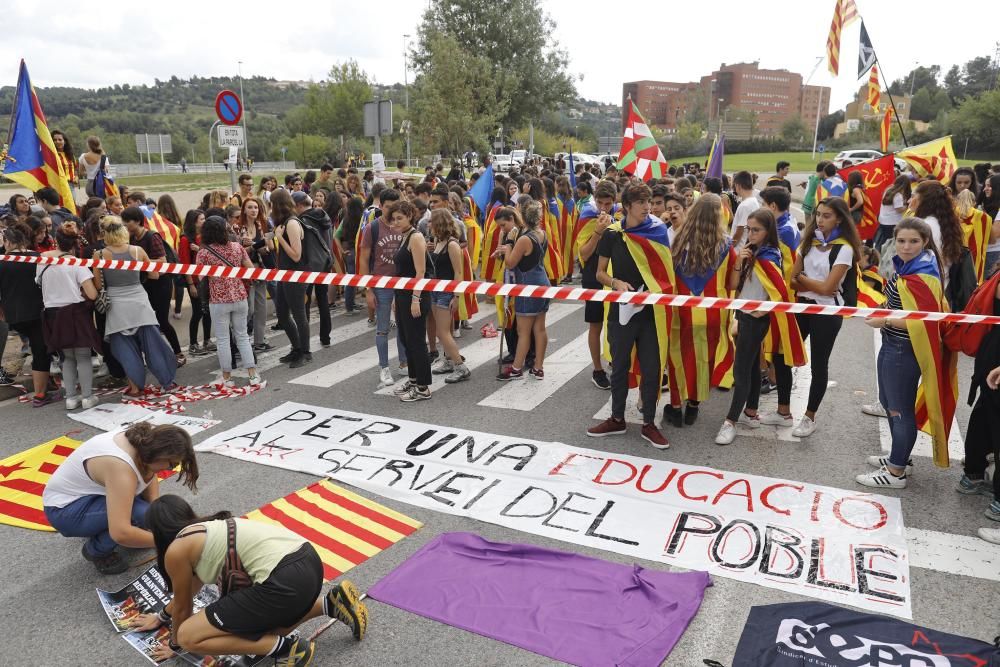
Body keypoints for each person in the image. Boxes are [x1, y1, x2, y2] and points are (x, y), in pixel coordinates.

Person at [132, 495, 367, 665]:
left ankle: (287, 650)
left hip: (283, 581)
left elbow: (184, 607)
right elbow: (187, 594)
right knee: (256, 633)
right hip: (309, 564)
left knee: (189, 636)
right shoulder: (205, 530)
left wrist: (175, 644)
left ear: (157, 532)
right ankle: (331, 603)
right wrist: (161, 616)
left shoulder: (177, 550)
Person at [857, 218, 954, 489]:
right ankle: (898, 458)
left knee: (899, 410)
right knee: (891, 404)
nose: (906, 246)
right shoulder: (912, 266)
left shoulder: (922, 274)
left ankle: (896, 472)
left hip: (902, 349)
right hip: (894, 345)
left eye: (913, 241)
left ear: (924, 242)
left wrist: (884, 320)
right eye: (901, 241)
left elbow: (924, 321)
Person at [42, 423, 198, 574]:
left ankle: (106, 525)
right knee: (138, 515)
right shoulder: (122, 470)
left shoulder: (147, 440)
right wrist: (168, 541)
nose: (169, 469)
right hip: (63, 511)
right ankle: (96, 550)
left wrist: (155, 515)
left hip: (88, 496)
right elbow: (121, 532)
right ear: (159, 455)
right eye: (171, 465)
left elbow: (149, 476)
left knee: (149, 515)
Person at [587, 183, 671, 449]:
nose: (648, 207)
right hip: (620, 311)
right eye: (642, 203)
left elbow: (665, 273)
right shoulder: (612, 234)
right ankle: (617, 418)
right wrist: (615, 283)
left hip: (650, 313)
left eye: (649, 202)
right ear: (627, 207)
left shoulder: (658, 231)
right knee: (620, 366)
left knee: (651, 367)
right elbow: (599, 273)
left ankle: (649, 423)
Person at [774, 197, 863, 437]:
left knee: (819, 364)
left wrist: (805, 280)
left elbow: (827, 290)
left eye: (826, 216)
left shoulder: (844, 248)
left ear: (839, 219)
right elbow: (792, 282)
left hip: (828, 312)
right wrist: (809, 283)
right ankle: (783, 411)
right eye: (818, 214)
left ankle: (810, 416)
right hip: (802, 306)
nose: (820, 220)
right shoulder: (808, 242)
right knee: (782, 353)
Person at [715, 209, 805, 445]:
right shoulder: (750, 253)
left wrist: (762, 310)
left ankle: (730, 422)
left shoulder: (770, 256)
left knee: (741, 370)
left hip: (754, 320)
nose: (751, 234)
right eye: (749, 229)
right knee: (753, 366)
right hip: (743, 315)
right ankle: (750, 412)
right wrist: (739, 261)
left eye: (757, 230)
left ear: (768, 232)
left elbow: (779, 293)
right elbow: (733, 285)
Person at [664, 194, 736, 428]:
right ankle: (693, 405)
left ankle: (675, 407)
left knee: (677, 358)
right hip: (713, 312)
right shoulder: (726, 245)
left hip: (681, 312)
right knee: (703, 359)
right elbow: (732, 284)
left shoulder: (676, 241)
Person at [92, 220, 178, 399]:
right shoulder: (138, 251)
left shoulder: (99, 255)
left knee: (125, 348)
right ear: (123, 232)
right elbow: (154, 275)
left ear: (105, 234)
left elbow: (98, 285)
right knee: (154, 344)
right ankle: (167, 382)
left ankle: (135, 389)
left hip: (116, 305)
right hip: (139, 300)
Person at [38, 225, 102, 410]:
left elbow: (39, 284)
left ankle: (71, 398)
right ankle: (87, 397)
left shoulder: (43, 261)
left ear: (56, 240)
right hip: (75, 312)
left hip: (52, 314)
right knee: (82, 356)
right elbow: (92, 295)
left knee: (66, 358)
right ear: (75, 243)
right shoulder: (76, 263)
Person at [196, 216, 261, 387]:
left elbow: (201, 278)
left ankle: (227, 378)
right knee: (242, 336)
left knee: (223, 339)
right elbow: (251, 270)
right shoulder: (237, 247)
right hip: (240, 296)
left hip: (218, 299)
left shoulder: (203, 253)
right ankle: (253, 375)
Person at [0, 221, 56, 406]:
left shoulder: (3, 262)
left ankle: (46, 381)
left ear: (8, 243)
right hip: (37, 311)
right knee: (41, 351)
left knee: (34, 347)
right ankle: (40, 393)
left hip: (13, 315)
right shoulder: (38, 258)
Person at [121, 207, 185, 367]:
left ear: (137, 221)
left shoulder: (151, 236)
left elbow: (162, 261)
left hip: (161, 284)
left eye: (127, 221)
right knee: (149, 322)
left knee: (163, 321)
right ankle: (156, 355)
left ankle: (178, 353)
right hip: (145, 283)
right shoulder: (132, 238)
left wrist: (140, 261)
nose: (125, 225)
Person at [495, 202, 551, 381]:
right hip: (542, 282)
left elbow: (510, 262)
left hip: (528, 285)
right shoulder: (542, 233)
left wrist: (509, 242)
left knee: (523, 331)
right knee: (539, 329)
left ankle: (517, 368)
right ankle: (538, 367)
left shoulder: (524, 238)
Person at [359, 189, 407, 387]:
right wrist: (368, 289)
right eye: (388, 207)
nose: (391, 211)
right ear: (380, 206)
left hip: (403, 283)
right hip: (381, 284)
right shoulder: (372, 228)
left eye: (395, 207)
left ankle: (404, 363)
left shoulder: (403, 226)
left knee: (404, 327)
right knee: (383, 329)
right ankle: (384, 368)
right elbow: (363, 258)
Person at [386, 200, 433, 401]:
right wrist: (398, 298)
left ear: (410, 217)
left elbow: (420, 271)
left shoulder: (415, 237)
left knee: (416, 341)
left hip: (416, 295)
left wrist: (415, 299)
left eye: (400, 218)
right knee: (406, 339)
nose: (396, 221)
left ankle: (423, 387)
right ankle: (413, 380)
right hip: (403, 294)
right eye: (394, 218)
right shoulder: (404, 236)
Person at [576, 181, 619, 389]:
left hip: (616, 277)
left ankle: (615, 362)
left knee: (617, 324)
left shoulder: (621, 218)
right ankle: (597, 369)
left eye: (608, 203)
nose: (603, 208)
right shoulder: (587, 219)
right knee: (596, 324)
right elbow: (583, 254)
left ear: (615, 201)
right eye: (600, 203)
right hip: (593, 277)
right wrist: (598, 232)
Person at [427, 209, 472, 384]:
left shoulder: (452, 244)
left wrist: (457, 296)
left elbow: (459, 272)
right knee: (444, 330)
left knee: (442, 332)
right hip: (435, 290)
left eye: (432, 221)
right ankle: (448, 360)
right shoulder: (437, 241)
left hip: (446, 291)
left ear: (439, 223)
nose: (428, 224)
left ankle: (461, 366)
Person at [271, 189, 312, 369]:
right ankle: (296, 347)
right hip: (284, 275)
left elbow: (296, 255)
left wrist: (279, 237)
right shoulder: (284, 223)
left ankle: (305, 352)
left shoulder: (292, 223)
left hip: (296, 275)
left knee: (299, 314)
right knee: (282, 314)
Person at [292, 191, 333, 346]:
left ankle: (304, 339)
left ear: (299, 205)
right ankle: (325, 337)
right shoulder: (325, 216)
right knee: (323, 301)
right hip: (325, 264)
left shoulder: (302, 221)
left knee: (305, 303)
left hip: (308, 266)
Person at [241, 196, 274, 350]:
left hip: (261, 268)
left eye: (256, 207)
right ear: (244, 210)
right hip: (246, 271)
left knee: (261, 307)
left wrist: (258, 246)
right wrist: (253, 246)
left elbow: (270, 247)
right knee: (249, 309)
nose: (254, 210)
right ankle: (241, 341)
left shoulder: (263, 225)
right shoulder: (238, 228)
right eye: (250, 207)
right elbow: (239, 253)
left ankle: (259, 341)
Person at [874, 175, 911, 252]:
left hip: (883, 220)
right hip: (892, 222)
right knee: (890, 243)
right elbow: (899, 209)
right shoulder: (898, 195)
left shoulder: (888, 190)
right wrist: (907, 206)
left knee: (883, 241)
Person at [730, 171, 759, 247]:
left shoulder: (745, 206)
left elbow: (740, 230)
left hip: (738, 249)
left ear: (738, 186)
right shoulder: (754, 201)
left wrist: (731, 247)